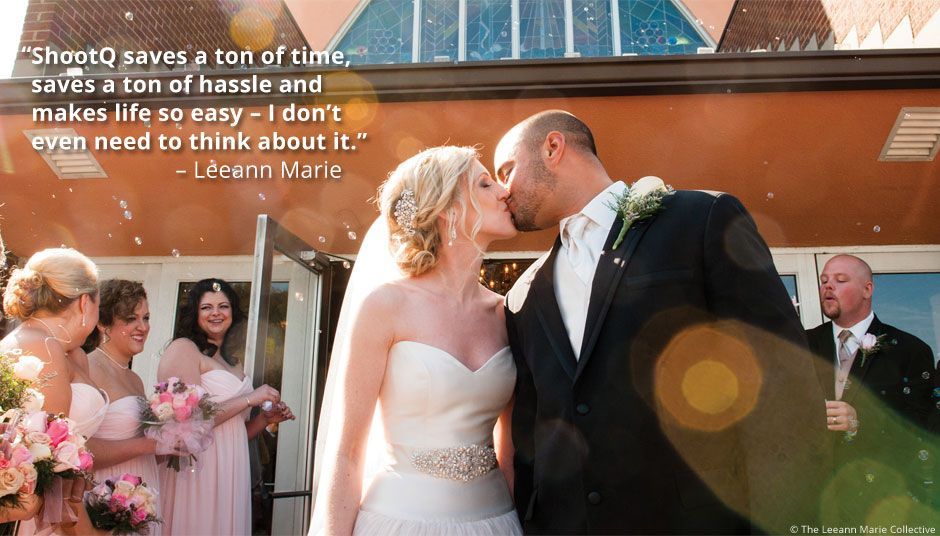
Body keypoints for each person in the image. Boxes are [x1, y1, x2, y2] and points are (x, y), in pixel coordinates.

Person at [496, 110, 828, 534]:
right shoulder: (524, 292)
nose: (503, 191)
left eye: (507, 170)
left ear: (553, 147)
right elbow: (531, 432)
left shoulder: (700, 218)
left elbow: (783, 382)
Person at [311, 146, 522, 535]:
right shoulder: (386, 306)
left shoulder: (506, 313)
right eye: (485, 183)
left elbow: (507, 454)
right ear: (448, 208)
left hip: (497, 522)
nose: (505, 191)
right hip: (400, 522)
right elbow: (348, 453)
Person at [157, 278, 293, 535]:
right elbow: (186, 422)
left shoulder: (233, 362)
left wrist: (264, 419)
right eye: (206, 307)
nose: (216, 313)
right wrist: (249, 399)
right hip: (199, 468)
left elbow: (234, 431)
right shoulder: (184, 349)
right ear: (194, 313)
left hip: (232, 468)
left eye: (223, 306)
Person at [805, 254, 936, 522]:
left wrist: (862, 421)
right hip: (812, 503)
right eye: (824, 281)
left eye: (840, 280)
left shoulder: (911, 351)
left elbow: (922, 429)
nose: (828, 286)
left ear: (868, 289)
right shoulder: (801, 345)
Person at [0, 248, 107, 535]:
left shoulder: (57, 347)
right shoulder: (44, 348)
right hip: (40, 522)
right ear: (85, 302)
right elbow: (52, 471)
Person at [83, 279, 162, 535]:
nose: (142, 327)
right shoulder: (89, 368)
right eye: (131, 319)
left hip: (140, 495)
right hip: (107, 498)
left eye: (146, 317)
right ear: (104, 323)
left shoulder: (134, 378)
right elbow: (79, 450)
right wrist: (150, 444)